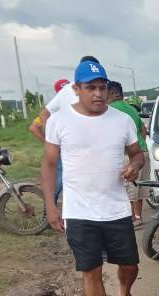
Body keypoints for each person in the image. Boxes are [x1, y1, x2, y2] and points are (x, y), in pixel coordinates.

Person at [40, 60, 145, 296]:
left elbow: (138, 155)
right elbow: (48, 165)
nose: (98, 94)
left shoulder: (121, 120)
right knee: (91, 271)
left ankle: (124, 292)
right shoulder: (59, 121)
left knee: (130, 265)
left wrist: (134, 165)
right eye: (91, 88)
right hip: (79, 211)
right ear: (77, 89)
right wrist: (51, 206)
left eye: (102, 88)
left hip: (116, 209)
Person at [29, 56, 101, 204]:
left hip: (91, 147)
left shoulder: (99, 92)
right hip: (70, 147)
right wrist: (52, 142)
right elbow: (42, 116)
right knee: (60, 180)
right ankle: (49, 210)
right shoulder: (67, 91)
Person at [107, 81, 150, 227]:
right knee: (140, 187)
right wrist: (140, 143)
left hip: (128, 154)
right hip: (143, 153)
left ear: (112, 94)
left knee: (128, 187)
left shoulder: (110, 109)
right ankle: (138, 217)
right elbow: (143, 129)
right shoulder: (132, 109)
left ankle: (131, 218)